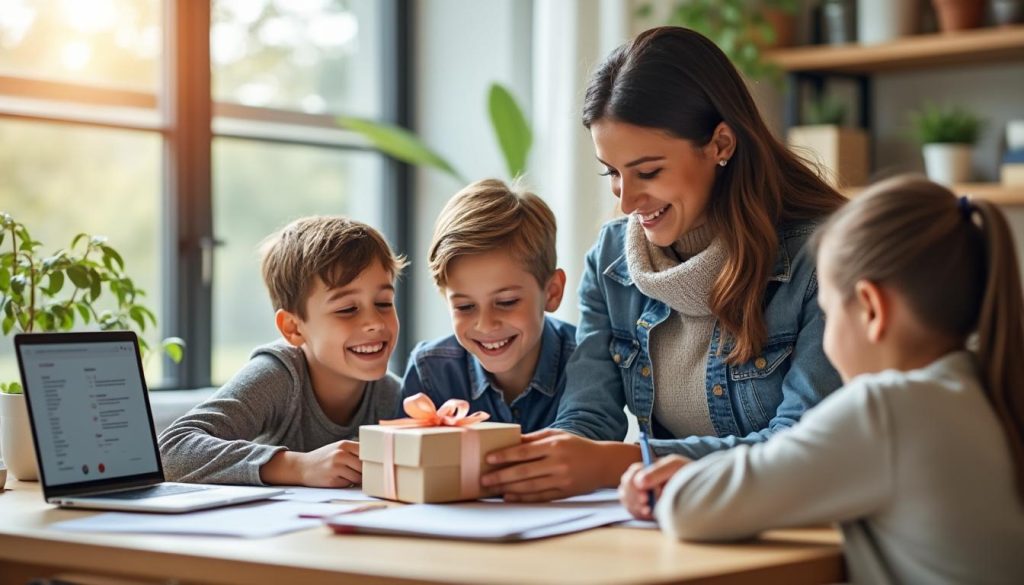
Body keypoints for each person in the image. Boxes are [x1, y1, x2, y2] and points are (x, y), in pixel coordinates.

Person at [482, 26, 845, 501]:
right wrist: (543, 459)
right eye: (612, 173)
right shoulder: (612, 260)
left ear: (721, 144)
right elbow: (590, 418)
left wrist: (627, 462)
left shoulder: (827, 258)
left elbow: (801, 450)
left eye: (648, 172)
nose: (627, 201)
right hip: (676, 519)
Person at [621, 175, 1024, 583]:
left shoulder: (886, 409)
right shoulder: (984, 389)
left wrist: (674, 483)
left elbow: (692, 509)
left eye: (828, 312)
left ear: (871, 309)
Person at [159, 216, 406, 487]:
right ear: (293, 328)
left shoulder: (394, 396)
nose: (375, 323)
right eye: (347, 309)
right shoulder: (279, 376)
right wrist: (298, 467)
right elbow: (171, 451)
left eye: (384, 303)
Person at [400, 179, 576, 432]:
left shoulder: (585, 363)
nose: (486, 324)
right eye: (464, 307)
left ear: (552, 292)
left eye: (506, 302)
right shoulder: (430, 369)